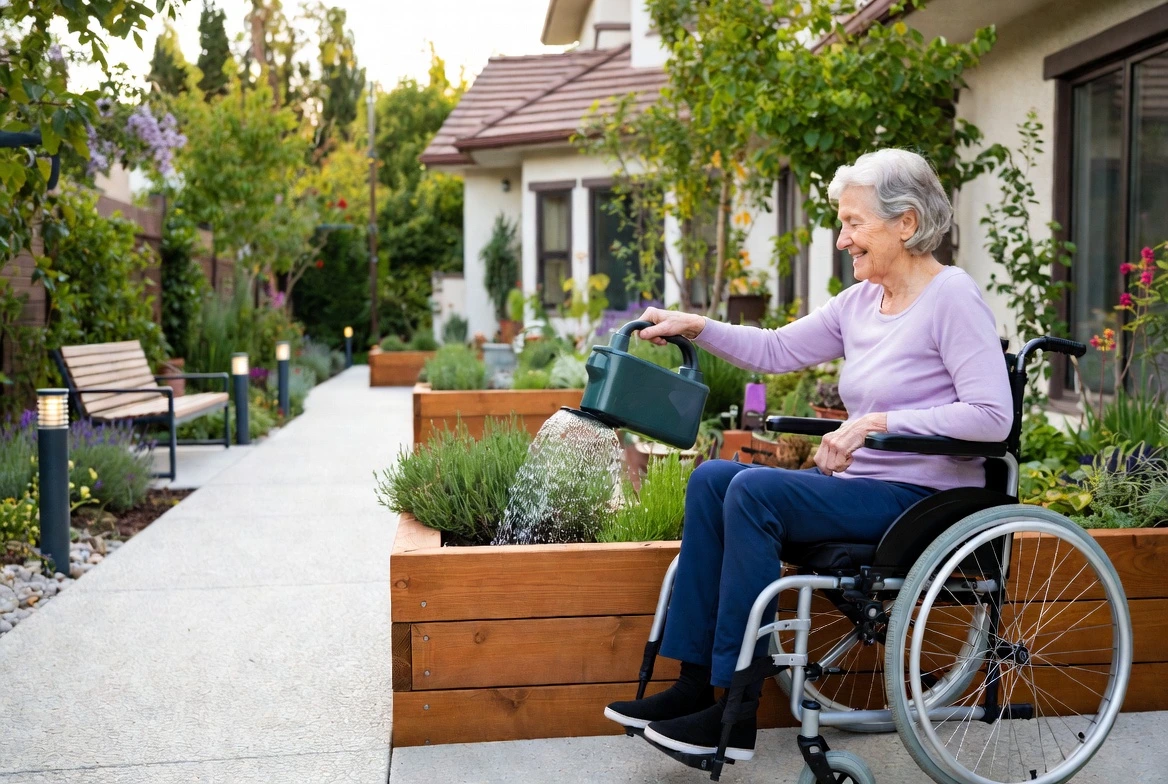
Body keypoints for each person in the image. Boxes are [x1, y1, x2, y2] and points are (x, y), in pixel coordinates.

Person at [603, 148, 1013, 763]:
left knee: (753, 490)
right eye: (842, 222)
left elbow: (992, 417)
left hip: (922, 503)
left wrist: (875, 423)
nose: (843, 238)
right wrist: (697, 326)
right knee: (714, 478)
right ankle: (693, 687)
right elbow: (773, 350)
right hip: (864, 493)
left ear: (905, 223)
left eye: (854, 223)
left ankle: (736, 712)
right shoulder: (860, 302)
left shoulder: (952, 297)